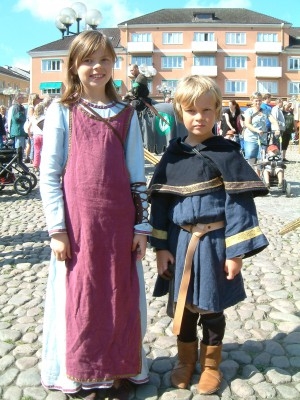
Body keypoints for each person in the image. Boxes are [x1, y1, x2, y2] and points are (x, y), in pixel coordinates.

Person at [39, 30, 152, 400]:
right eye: (88, 60)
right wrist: (57, 229)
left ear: (113, 64)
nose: (97, 67)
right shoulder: (62, 111)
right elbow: (50, 174)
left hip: (119, 225)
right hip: (78, 226)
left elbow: (137, 175)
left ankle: (119, 369)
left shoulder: (126, 114)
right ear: (74, 65)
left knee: (120, 295)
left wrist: (141, 225)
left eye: (104, 59)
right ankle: (82, 371)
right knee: (82, 298)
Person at [148, 75, 269, 396]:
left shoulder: (227, 153)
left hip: (215, 245)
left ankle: (212, 365)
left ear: (217, 112)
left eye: (206, 110)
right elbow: (160, 204)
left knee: (212, 308)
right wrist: (161, 247)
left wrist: (236, 252)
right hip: (179, 243)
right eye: (191, 110)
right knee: (183, 306)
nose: (198, 117)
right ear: (179, 113)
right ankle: (184, 361)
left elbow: (239, 206)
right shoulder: (172, 155)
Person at [243, 91, 280, 175]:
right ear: (252, 101)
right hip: (251, 138)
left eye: (259, 100)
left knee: (262, 157)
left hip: (262, 138)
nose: (258, 102)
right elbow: (247, 123)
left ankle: (260, 177)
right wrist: (257, 130)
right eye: (256, 100)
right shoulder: (249, 111)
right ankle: (251, 176)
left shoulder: (265, 111)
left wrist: (277, 129)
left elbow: (273, 120)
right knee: (251, 157)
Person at [24, 93, 42, 163]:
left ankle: (28, 157)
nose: (39, 99)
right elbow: (32, 118)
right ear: (34, 99)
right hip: (31, 127)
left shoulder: (33, 106)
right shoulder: (31, 107)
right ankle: (32, 158)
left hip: (32, 127)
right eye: (37, 98)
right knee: (32, 143)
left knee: (29, 143)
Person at [28, 102, 45, 173]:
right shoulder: (44, 117)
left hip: (35, 136)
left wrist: (29, 135)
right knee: (43, 151)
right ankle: (43, 165)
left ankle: (36, 166)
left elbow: (28, 127)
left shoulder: (33, 118)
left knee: (37, 151)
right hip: (43, 135)